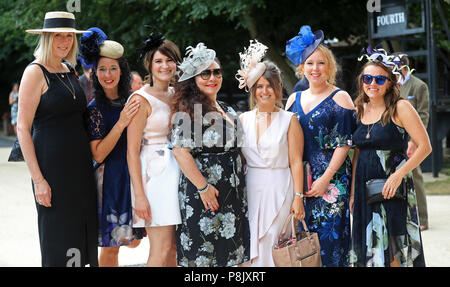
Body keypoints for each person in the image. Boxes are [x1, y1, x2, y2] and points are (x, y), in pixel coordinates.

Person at [17, 11, 98, 266]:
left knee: (79, 236)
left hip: (80, 169)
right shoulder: (34, 72)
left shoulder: (69, 69)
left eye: (69, 36)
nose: (64, 41)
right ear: (46, 38)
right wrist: (38, 180)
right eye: (58, 36)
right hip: (52, 171)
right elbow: (22, 128)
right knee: (58, 240)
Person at [349, 48, 431, 267]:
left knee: (395, 249)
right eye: (367, 78)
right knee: (371, 249)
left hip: (392, 188)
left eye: (379, 79)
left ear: (390, 82)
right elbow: (357, 153)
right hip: (363, 189)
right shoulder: (358, 109)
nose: (372, 84)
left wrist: (398, 175)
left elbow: (425, 147)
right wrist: (352, 193)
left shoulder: (400, 107)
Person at [170, 43, 250, 267]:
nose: (212, 77)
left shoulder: (229, 109)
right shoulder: (190, 110)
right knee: (204, 257)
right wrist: (203, 188)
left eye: (216, 72)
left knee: (229, 258)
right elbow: (179, 150)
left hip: (232, 196)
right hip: (204, 196)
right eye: (205, 73)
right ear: (193, 79)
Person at [285, 26, 355, 267]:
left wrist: (325, 179)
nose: (315, 69)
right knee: (303, 249)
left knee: (331, 247)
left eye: (321, 63)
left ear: (329, 67)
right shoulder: (293, 99)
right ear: (302, 67)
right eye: (310, 63)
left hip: (331, 184)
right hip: (300, 183)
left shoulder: (340, 98)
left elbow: (344, 144)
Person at [236, 40, 305, 266]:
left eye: (269, 86)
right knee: (251, 246)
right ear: (253, 89)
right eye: (259, 86)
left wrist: (298, 197)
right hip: (251, 188)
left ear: (277, 88)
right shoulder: (242, 120)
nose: (264, 91)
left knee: (275, 245)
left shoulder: (289, 120)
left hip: (280, 187)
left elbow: (296, 161)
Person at [80, 27, 144, 267]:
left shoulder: (135, 100)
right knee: (112, 247)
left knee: (136, 240)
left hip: (137, 175)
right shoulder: (95, 108)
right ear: (94, 73)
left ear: (122, 70)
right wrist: (122, 122)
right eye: (102, 69)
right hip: (110, 181)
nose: (108, 74)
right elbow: (98, 153)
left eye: (113, 68)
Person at [127, 33, 182, 267]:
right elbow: (131, 151)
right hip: (154, 177)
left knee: (173, 251)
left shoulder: (178, 94)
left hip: (178, 172)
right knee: (160, 250)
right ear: (149, 64)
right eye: (159, 61)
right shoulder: (139, 99)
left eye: (170, 60)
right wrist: (139, 195)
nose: (165, 66)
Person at [393, 52, 430, 231]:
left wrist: (415, 141)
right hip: (395, 138)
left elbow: (423, 114)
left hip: (412, 140)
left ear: (403, 67)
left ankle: (422, 218)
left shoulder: (419, 86)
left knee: (415, 176)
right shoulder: (392, 84)